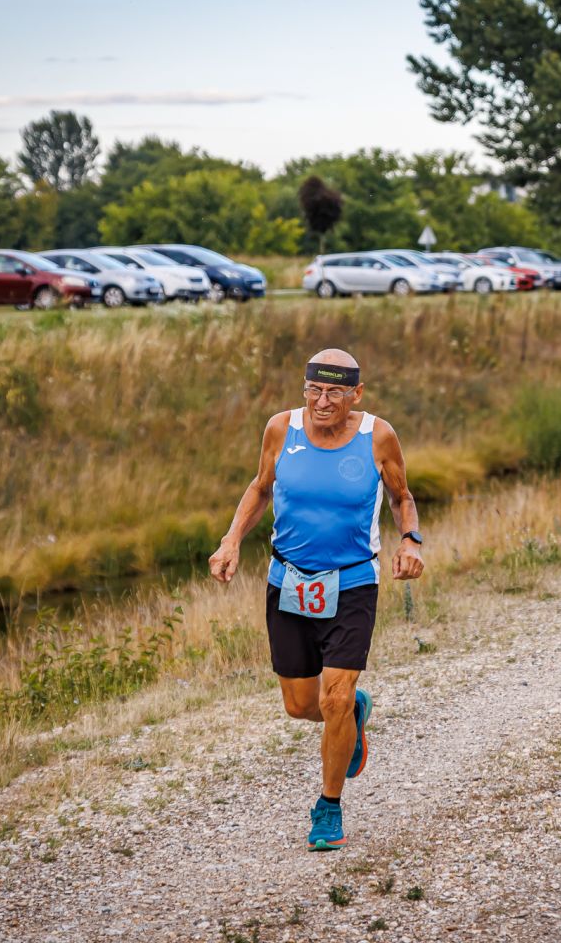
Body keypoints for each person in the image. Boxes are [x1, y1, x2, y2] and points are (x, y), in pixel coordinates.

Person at [209, 349, 424, 850]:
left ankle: (328, 807)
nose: (322, 402)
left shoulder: (378, 436)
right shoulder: (281, 429)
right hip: (289, 581)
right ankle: (352, 715)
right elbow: (261, 488)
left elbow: (401, 496)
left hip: (351, 582)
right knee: (301, 705)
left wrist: (410, 540)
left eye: (334, 392)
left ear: (356, 393)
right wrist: (231, 539)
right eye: (314, 390)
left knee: (335, 697)